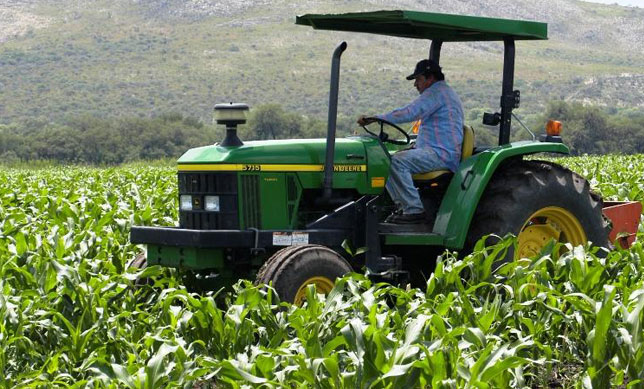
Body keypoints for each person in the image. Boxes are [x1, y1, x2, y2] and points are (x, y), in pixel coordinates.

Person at [358, 59, 464, 224]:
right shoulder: (443, 93)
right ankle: (399, 207)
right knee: (388, 158)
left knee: (395, 162)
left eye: (418, 79)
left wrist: (376, 118)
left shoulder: (437, 93)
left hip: (441, 154)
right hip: (435, 150)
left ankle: (413, 210)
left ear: (430, 78)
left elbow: (410, 112)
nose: (415, 84)